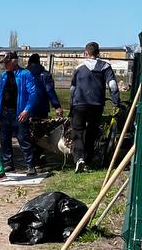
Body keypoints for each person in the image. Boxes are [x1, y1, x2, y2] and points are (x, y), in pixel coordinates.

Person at [69, 41, 122, 172]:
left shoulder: (79, 67)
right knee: (92, 132)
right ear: (98, 53)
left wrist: (71, 105)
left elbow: (72, 89)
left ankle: (79, 159)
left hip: (79, 104)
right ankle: (87, 160)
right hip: (96, 104)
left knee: (78, 131)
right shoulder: (105, 66)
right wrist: (116, 103)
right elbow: (113, 85)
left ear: (86, 53)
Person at [0, 51, 38, 176]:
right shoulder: (4, 75)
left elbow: (33, 94)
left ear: (14, 61)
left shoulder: (25, 74)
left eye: (7, 63)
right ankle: (8, 163)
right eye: (4, 63)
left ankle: (30, 165)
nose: (5, 65)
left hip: (19, 112)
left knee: (23, 139)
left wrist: (27, 110)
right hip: (5, 112)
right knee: (4, 139)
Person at [26, 53, 63, 120]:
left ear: (29, 63)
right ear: (39, 62)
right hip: (42, 107)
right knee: (41, 128)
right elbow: (50, 90)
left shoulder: (23, 74)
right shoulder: (46, 74)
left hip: (25, 107)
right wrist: (57, 106)